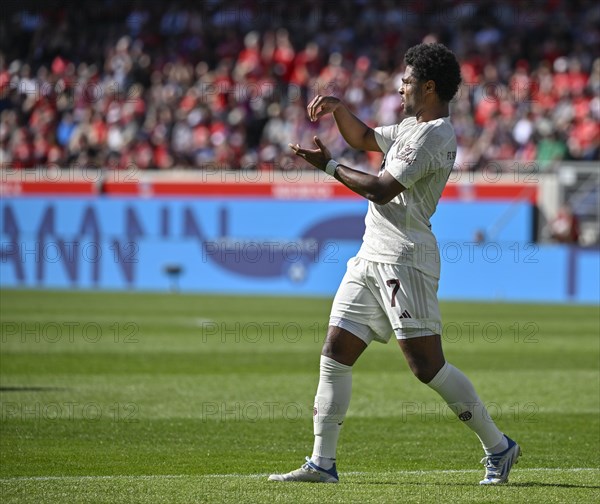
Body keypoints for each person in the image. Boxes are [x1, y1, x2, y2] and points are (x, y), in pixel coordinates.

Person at [268, 43, 520, 485]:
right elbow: (365, 138)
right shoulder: (410, 126)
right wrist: (338, 109)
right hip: (371, 255)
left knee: (427, 368)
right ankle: (322, 463)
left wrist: (329, 166)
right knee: (335, 352)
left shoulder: (433, 134)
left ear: (427, 85)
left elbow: (381, 189)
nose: (399, 86)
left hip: (405, 259)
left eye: (406, 80)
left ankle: (499, 447)